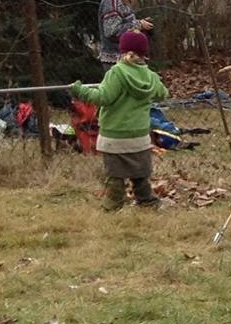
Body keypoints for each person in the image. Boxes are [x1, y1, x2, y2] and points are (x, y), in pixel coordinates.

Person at [70, 30, 167, 210]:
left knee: (115, 175)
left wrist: (80, 91)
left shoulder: (117, 72)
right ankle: (147, 202)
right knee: (140, 174)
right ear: (144, 53)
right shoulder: (150, 75)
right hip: (139, 137)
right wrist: (154, 81)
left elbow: (103, 97)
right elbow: (162, 93)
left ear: (122, 50)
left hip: (114, 137)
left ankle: (113, 206)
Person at [97, 0, 154, 67]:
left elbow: (124, 23)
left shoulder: (121, 0)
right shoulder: (111, 1)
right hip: (116, 61)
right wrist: (138, 24)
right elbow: (111, 31)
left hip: (126, 59)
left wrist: (140, 23)